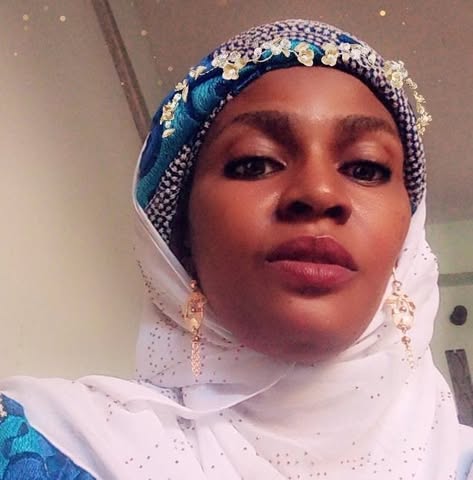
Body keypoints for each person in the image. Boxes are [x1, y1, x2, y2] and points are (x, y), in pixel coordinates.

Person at [1, 18, 472, 480]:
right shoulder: (44, 449)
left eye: (366, 168)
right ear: (179, 238)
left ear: (408, 241)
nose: (319, 192)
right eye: (255, 163)